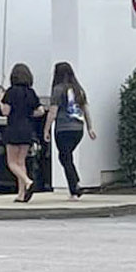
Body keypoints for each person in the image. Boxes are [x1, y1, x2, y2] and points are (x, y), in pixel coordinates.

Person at [44, 62, 97, 200]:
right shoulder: (79, 89)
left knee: (64, 157)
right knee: (67, 156)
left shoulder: (58, 89)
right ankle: (75, 185)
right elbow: (85, 109)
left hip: (63, 128)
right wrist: (90, 127)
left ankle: (75, 187)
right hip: (78, 128)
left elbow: (53, 112)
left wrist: (46, 129)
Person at [1, 64, 42, 203]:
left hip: (13, 128)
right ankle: (21, 194)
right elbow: (40, 111)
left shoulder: (10, 92)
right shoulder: (31, 92)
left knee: (11, 162)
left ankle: (28, 181)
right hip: (27, 129)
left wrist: (1, 100)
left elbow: (5, 111)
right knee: (21, 161)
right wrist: (28, 113)